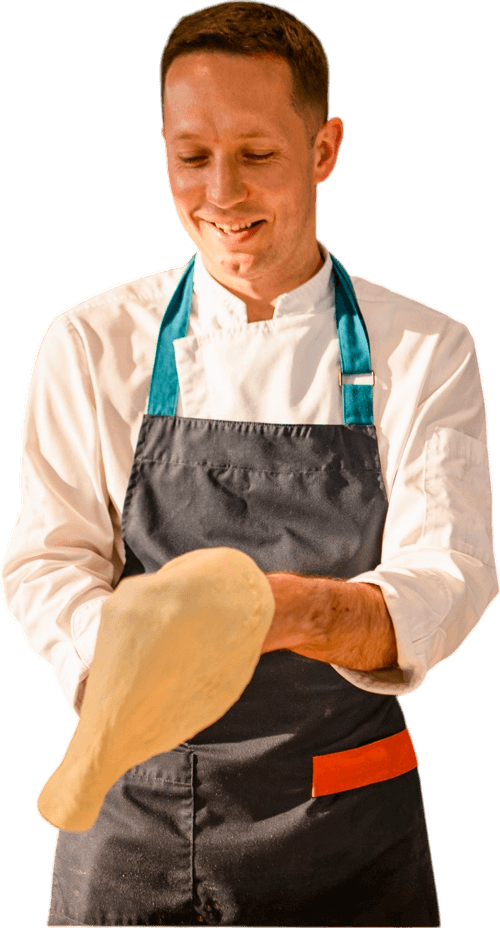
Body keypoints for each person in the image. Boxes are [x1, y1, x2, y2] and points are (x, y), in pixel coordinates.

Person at [1, 2, 497, 926]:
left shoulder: (426, 348)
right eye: (191, 156)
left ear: (324, 149)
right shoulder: (90, 341)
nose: (220, 193)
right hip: (131, 811)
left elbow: (452, 570)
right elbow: (49, 560)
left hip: (345, 818)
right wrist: (128, 661)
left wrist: (296, 612)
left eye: (258, 154)